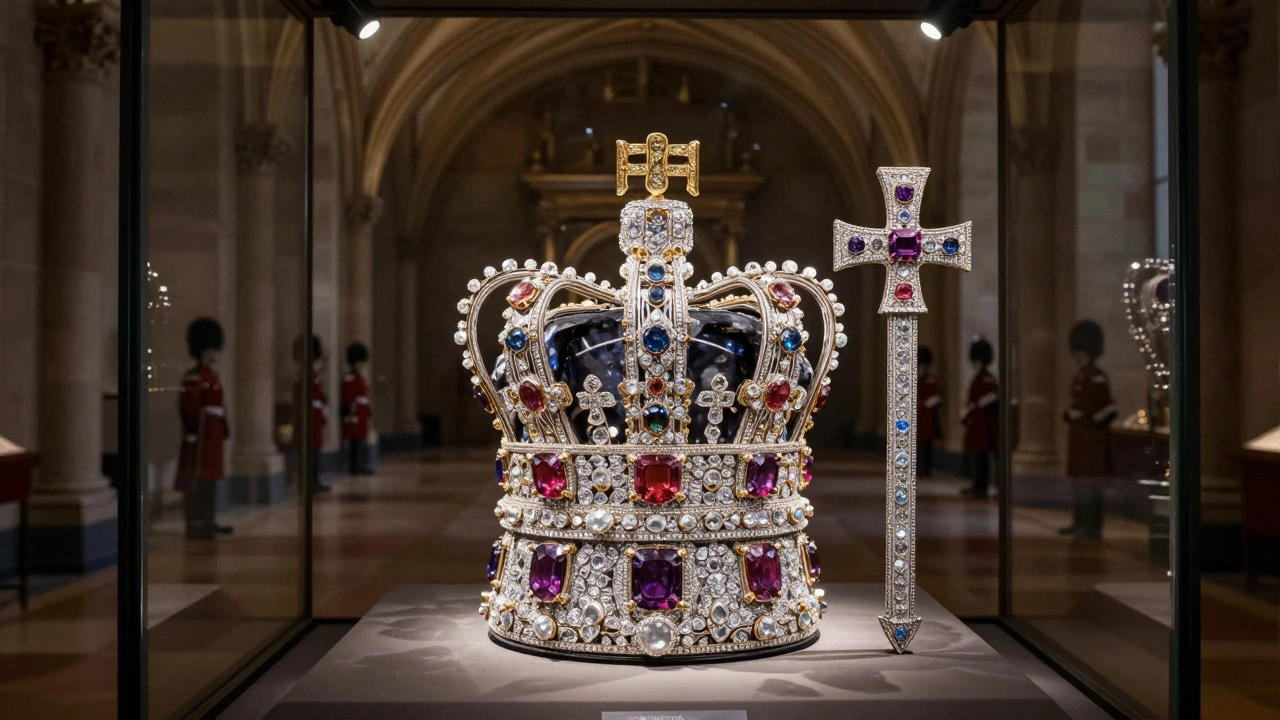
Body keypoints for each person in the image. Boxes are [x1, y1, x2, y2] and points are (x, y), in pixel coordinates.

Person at [1060, 320, 1117, 541]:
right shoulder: (1080, 376)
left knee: (1092, 486)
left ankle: (1092, 527)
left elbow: (1109, 409)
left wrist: (1090, 421)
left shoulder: (1098, 377)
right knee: (1079, 484)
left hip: (1092, 440)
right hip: (1079, 439)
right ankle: (1079, 521)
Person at [176, 318, 232, 540]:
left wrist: (224, 429)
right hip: (199, 438)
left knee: (210, 482)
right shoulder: (194, 378)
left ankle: (208, 520)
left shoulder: (212, 377)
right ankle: (194, 523)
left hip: (212, 436)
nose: (214, 356)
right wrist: (193, 432)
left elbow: (219, 406)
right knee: (195, 483)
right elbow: (189, 409)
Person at [960, 337, 998, 498]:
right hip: (976, 422)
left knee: (981, 456)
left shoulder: (987, 378)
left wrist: (977, 405)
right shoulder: (978, 377)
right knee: (975, 455)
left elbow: (992, 396)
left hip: (983, 423)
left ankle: (980, 486)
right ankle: (976, 483)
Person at [294, 335, 331, 493]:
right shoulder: (304, 378)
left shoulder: (314, 378)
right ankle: (308, 482)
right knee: (309, 453)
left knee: (315, 452)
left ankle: (314, 480)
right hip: (309, 420)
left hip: (315, 419)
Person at [341, 342, 373, 475]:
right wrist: (351, 413)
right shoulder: (350, 378)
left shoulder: (359, 377)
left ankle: (360, 464)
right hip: (355, 415)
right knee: (354, 442)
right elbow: (348, 397)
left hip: (361, 414)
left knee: (360, 441)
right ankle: (354, 466)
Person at [917, 347, 942, 477]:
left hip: (927, 417)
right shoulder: (918, 379)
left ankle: (926, 468)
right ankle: (920, 466)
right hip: (920, 416)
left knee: (927, 445)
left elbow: (936, 397)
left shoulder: (930, 380)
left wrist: (925, 404)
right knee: (919, 444)